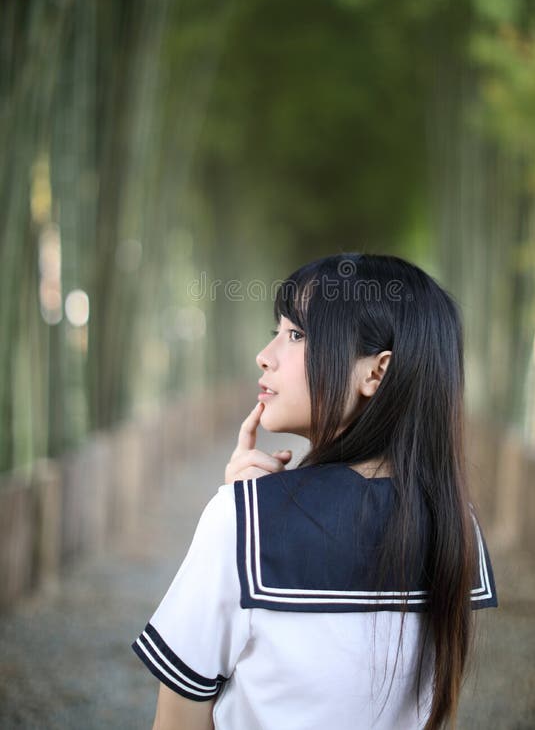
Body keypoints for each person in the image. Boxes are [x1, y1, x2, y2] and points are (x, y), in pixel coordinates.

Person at [132, 253, 497, 729]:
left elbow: (178, 722)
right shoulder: (455, 524)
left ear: (375, 372)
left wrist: (244, 520)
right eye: (277, 330)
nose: (265, 355)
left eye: (297, 335)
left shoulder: (240, 524)